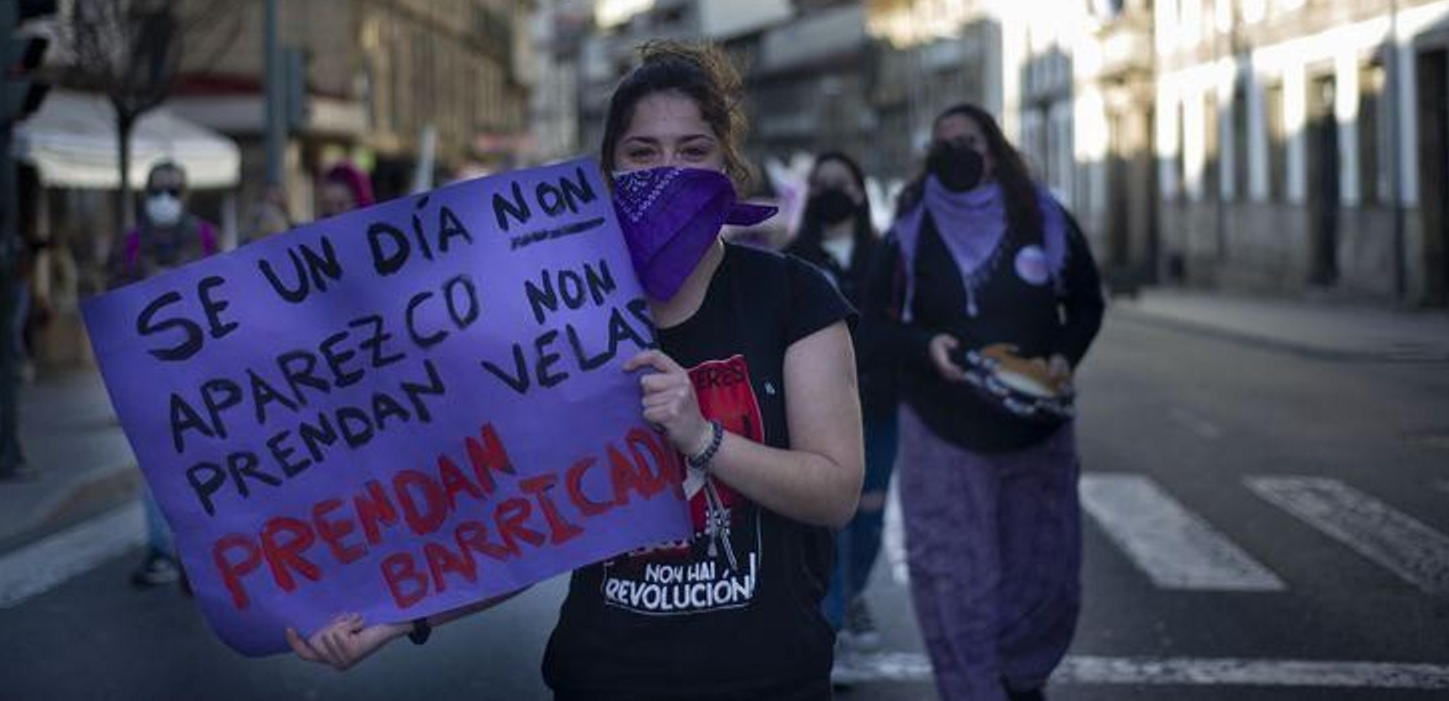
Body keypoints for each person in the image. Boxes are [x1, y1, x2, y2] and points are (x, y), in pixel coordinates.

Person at [289, 42, 866, 700]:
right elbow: (527, 522)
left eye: (693, 150)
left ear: (728, 166)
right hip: (605, 677)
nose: (667, 170)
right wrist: (396, 618)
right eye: (643, 153)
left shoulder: (792, 296)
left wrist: (704, 439)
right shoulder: (564, 316)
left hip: (769, 680)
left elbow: (836, 491)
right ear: (608, 172)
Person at [862, 104, 1103, 701]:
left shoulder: (1044, 218)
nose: (957, 152)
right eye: (943, 144)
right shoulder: (910, 230)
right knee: (950, 575)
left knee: (1045, 576)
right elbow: (873, 320)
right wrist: (925, 347)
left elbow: (1088, 302)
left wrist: (1062, 358)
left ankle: (1022, 681)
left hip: (1036, 429)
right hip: (943, 428)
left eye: (967, 141)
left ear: (993, 149)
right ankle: (970, 688)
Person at [784, 152, 897, 666]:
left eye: (842, 182)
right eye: (822, 183)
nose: (833, 190)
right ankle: (830, 626)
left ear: (858, 191)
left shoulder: (887, 255)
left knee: (869, 518)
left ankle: (851, 595)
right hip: (819, 409)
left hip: (878, 406)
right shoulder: (794, 258)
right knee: (832, 519)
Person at [111, 160, 220, 588]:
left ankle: (201, 555)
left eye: (173, 191)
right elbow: (110, 303)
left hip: (201, 371)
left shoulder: (207, 237)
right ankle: (160, 551)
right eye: (157, 190)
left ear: (187, 194)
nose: (165, 199)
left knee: (203, 463)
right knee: (156, 464)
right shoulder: (131, 244)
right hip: (148, 374)